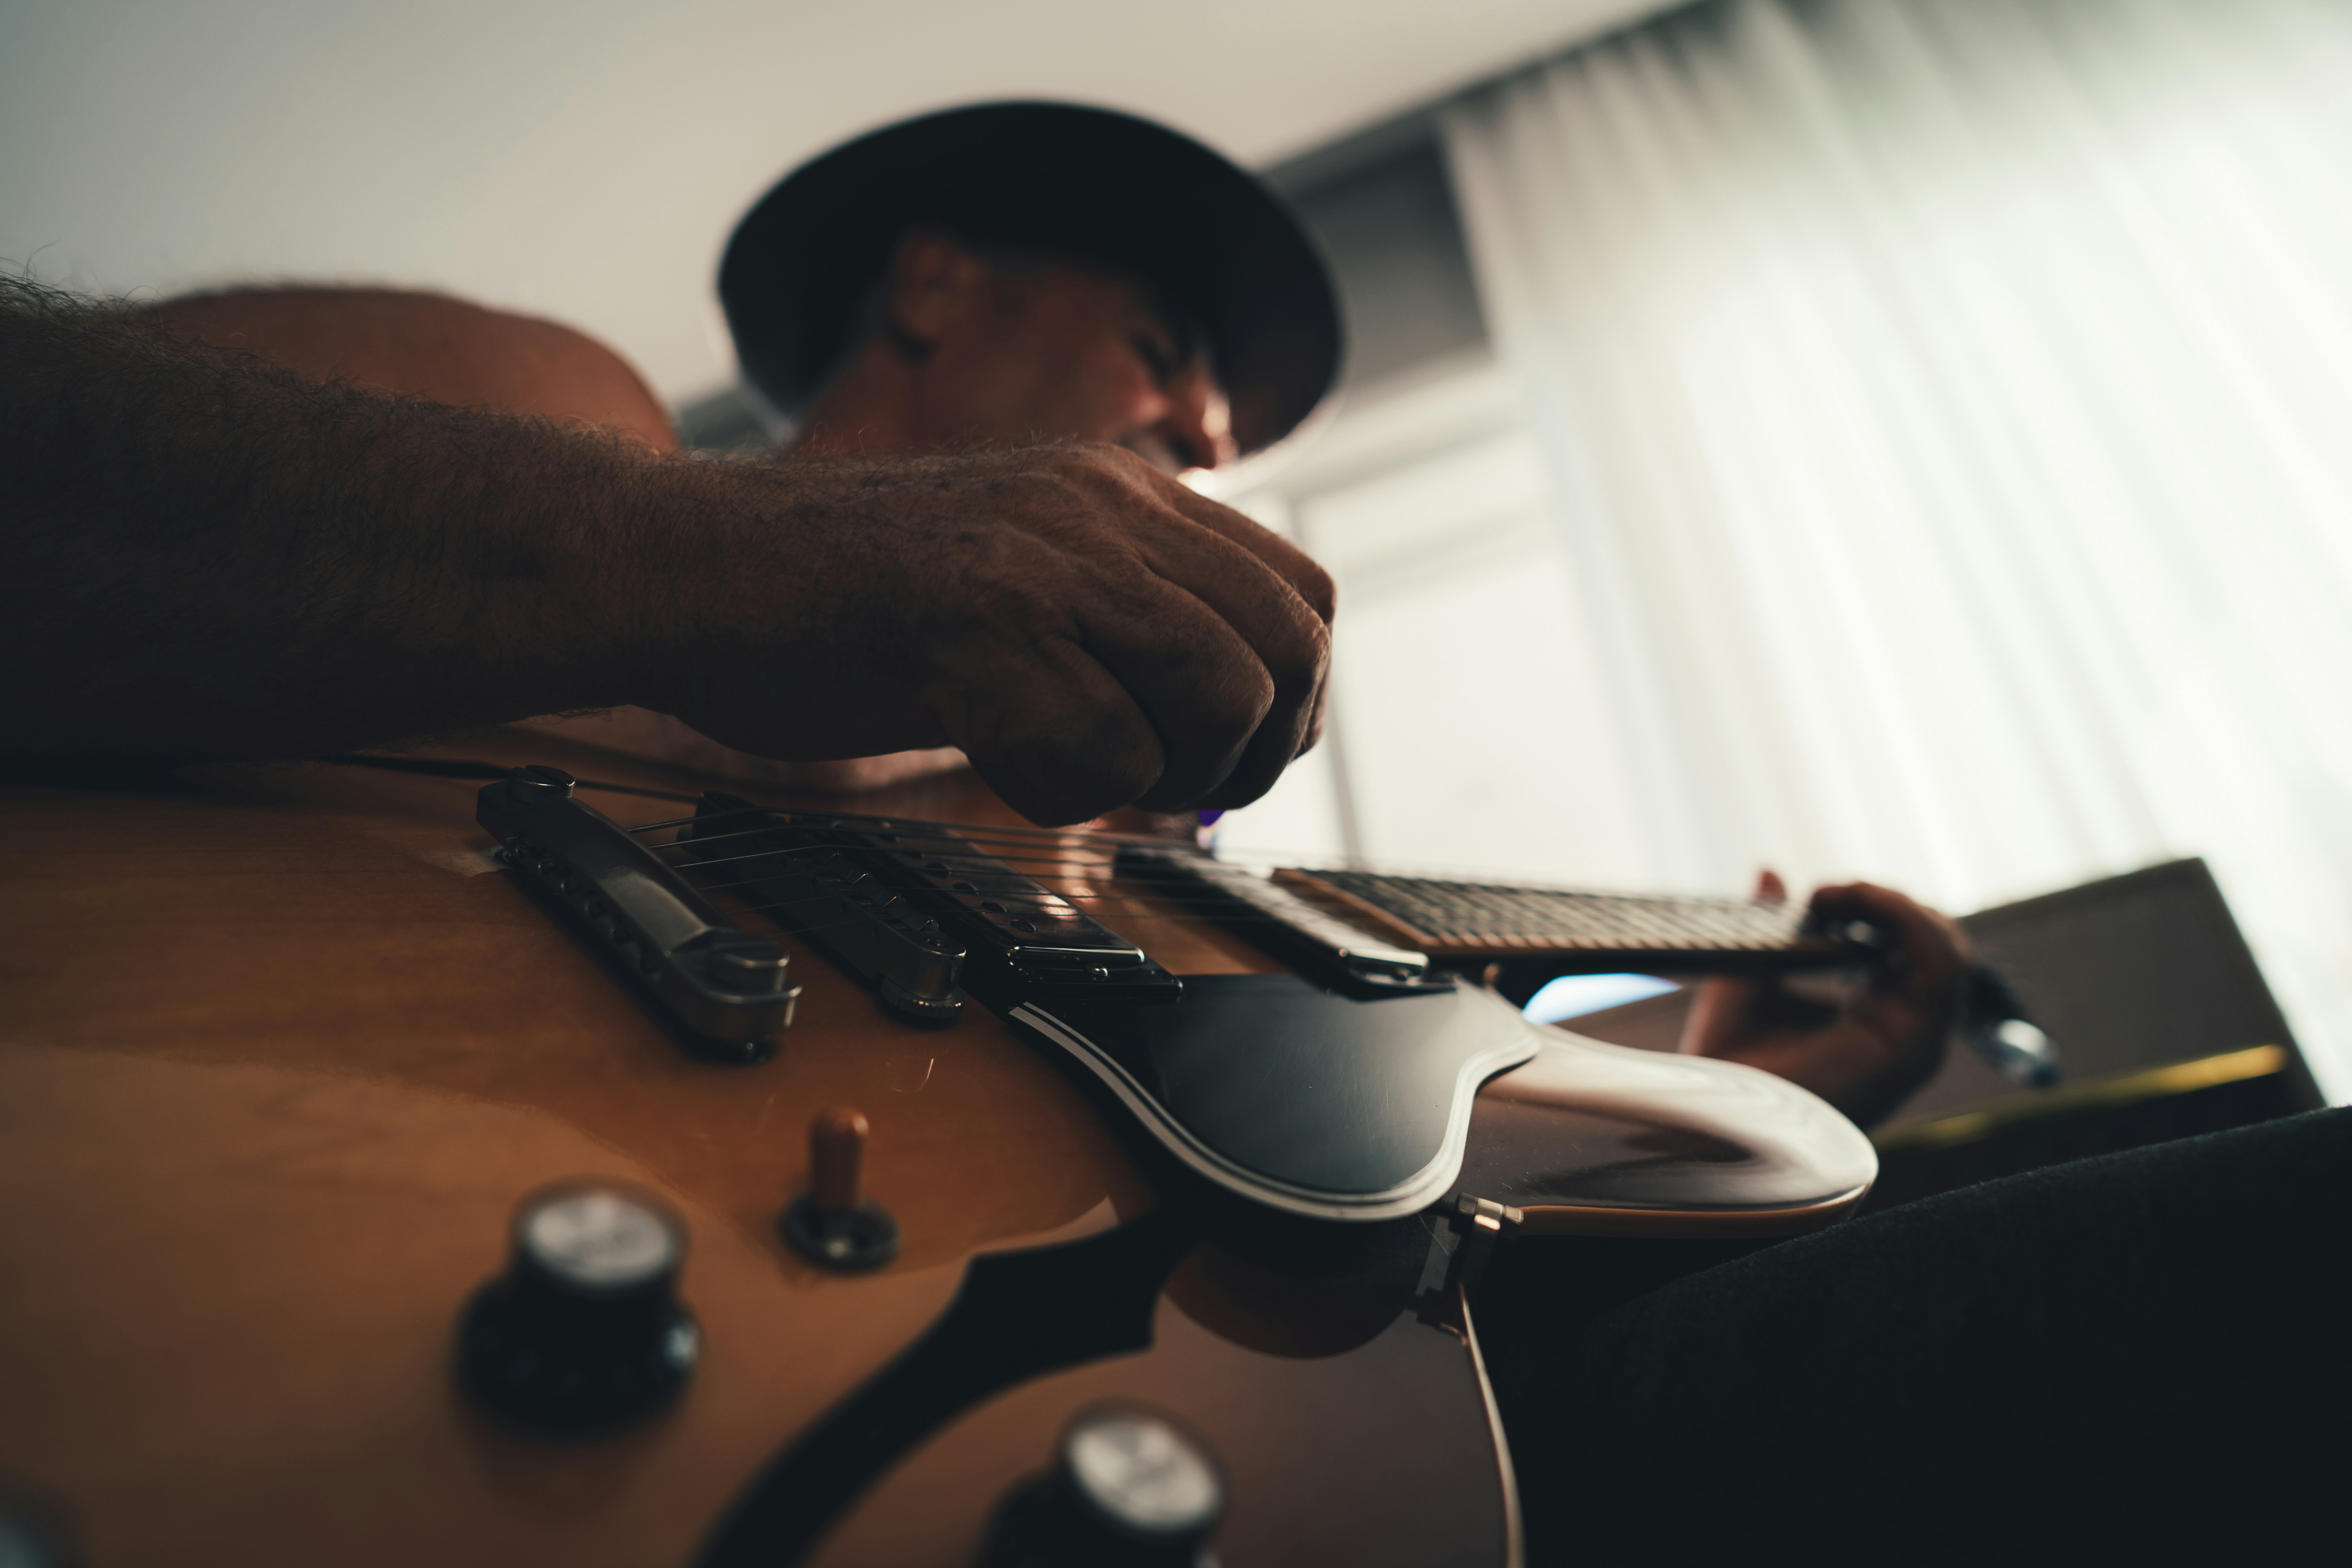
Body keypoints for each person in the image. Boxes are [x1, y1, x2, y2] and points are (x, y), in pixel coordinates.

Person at [5, 99, 2341, 1565]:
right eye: (1165, 357)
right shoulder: (557, 413)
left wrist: (1757, 1082)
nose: (1206, 439)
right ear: (935, 285)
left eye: (1224, 430)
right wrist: (745, 577)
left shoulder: (1128, 859)